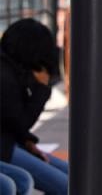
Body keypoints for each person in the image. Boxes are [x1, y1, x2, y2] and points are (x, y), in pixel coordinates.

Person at [0, 19, 68, 195]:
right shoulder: (6, 77)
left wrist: (27, 141)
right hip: (5, 147)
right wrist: (42, 89)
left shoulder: (11, 70)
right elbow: (20, 122)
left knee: (69, 175)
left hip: (10, 142)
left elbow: (11, 123)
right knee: (64, 184)